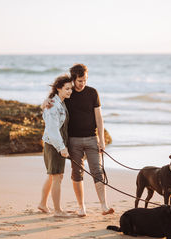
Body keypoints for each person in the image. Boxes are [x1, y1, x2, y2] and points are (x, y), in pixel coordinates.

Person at [43, 64, 114, 217]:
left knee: (98, 171)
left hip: (92, 138)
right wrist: (44, 103)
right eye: (80, 80)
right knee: (77, 173)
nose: (83, 83)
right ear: (73, 79)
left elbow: (99, 118)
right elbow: (53, 101)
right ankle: (82, 208)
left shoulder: (92, 92)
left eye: (85, 80)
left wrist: (101, 140)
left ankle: (104, 206)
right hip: (73, 140)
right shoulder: (68, 92)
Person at [38, 74, 73, 217]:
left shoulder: (60, 102)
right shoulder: (53, 105)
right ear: (59, 88)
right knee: (57, 176)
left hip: (53, 144)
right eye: (67, 88)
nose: (70, 91)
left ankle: (42, 204)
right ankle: (58, 211)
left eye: (71, 89)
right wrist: (61, 148)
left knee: (53, 176)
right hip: (54, 145)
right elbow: (52, 130)